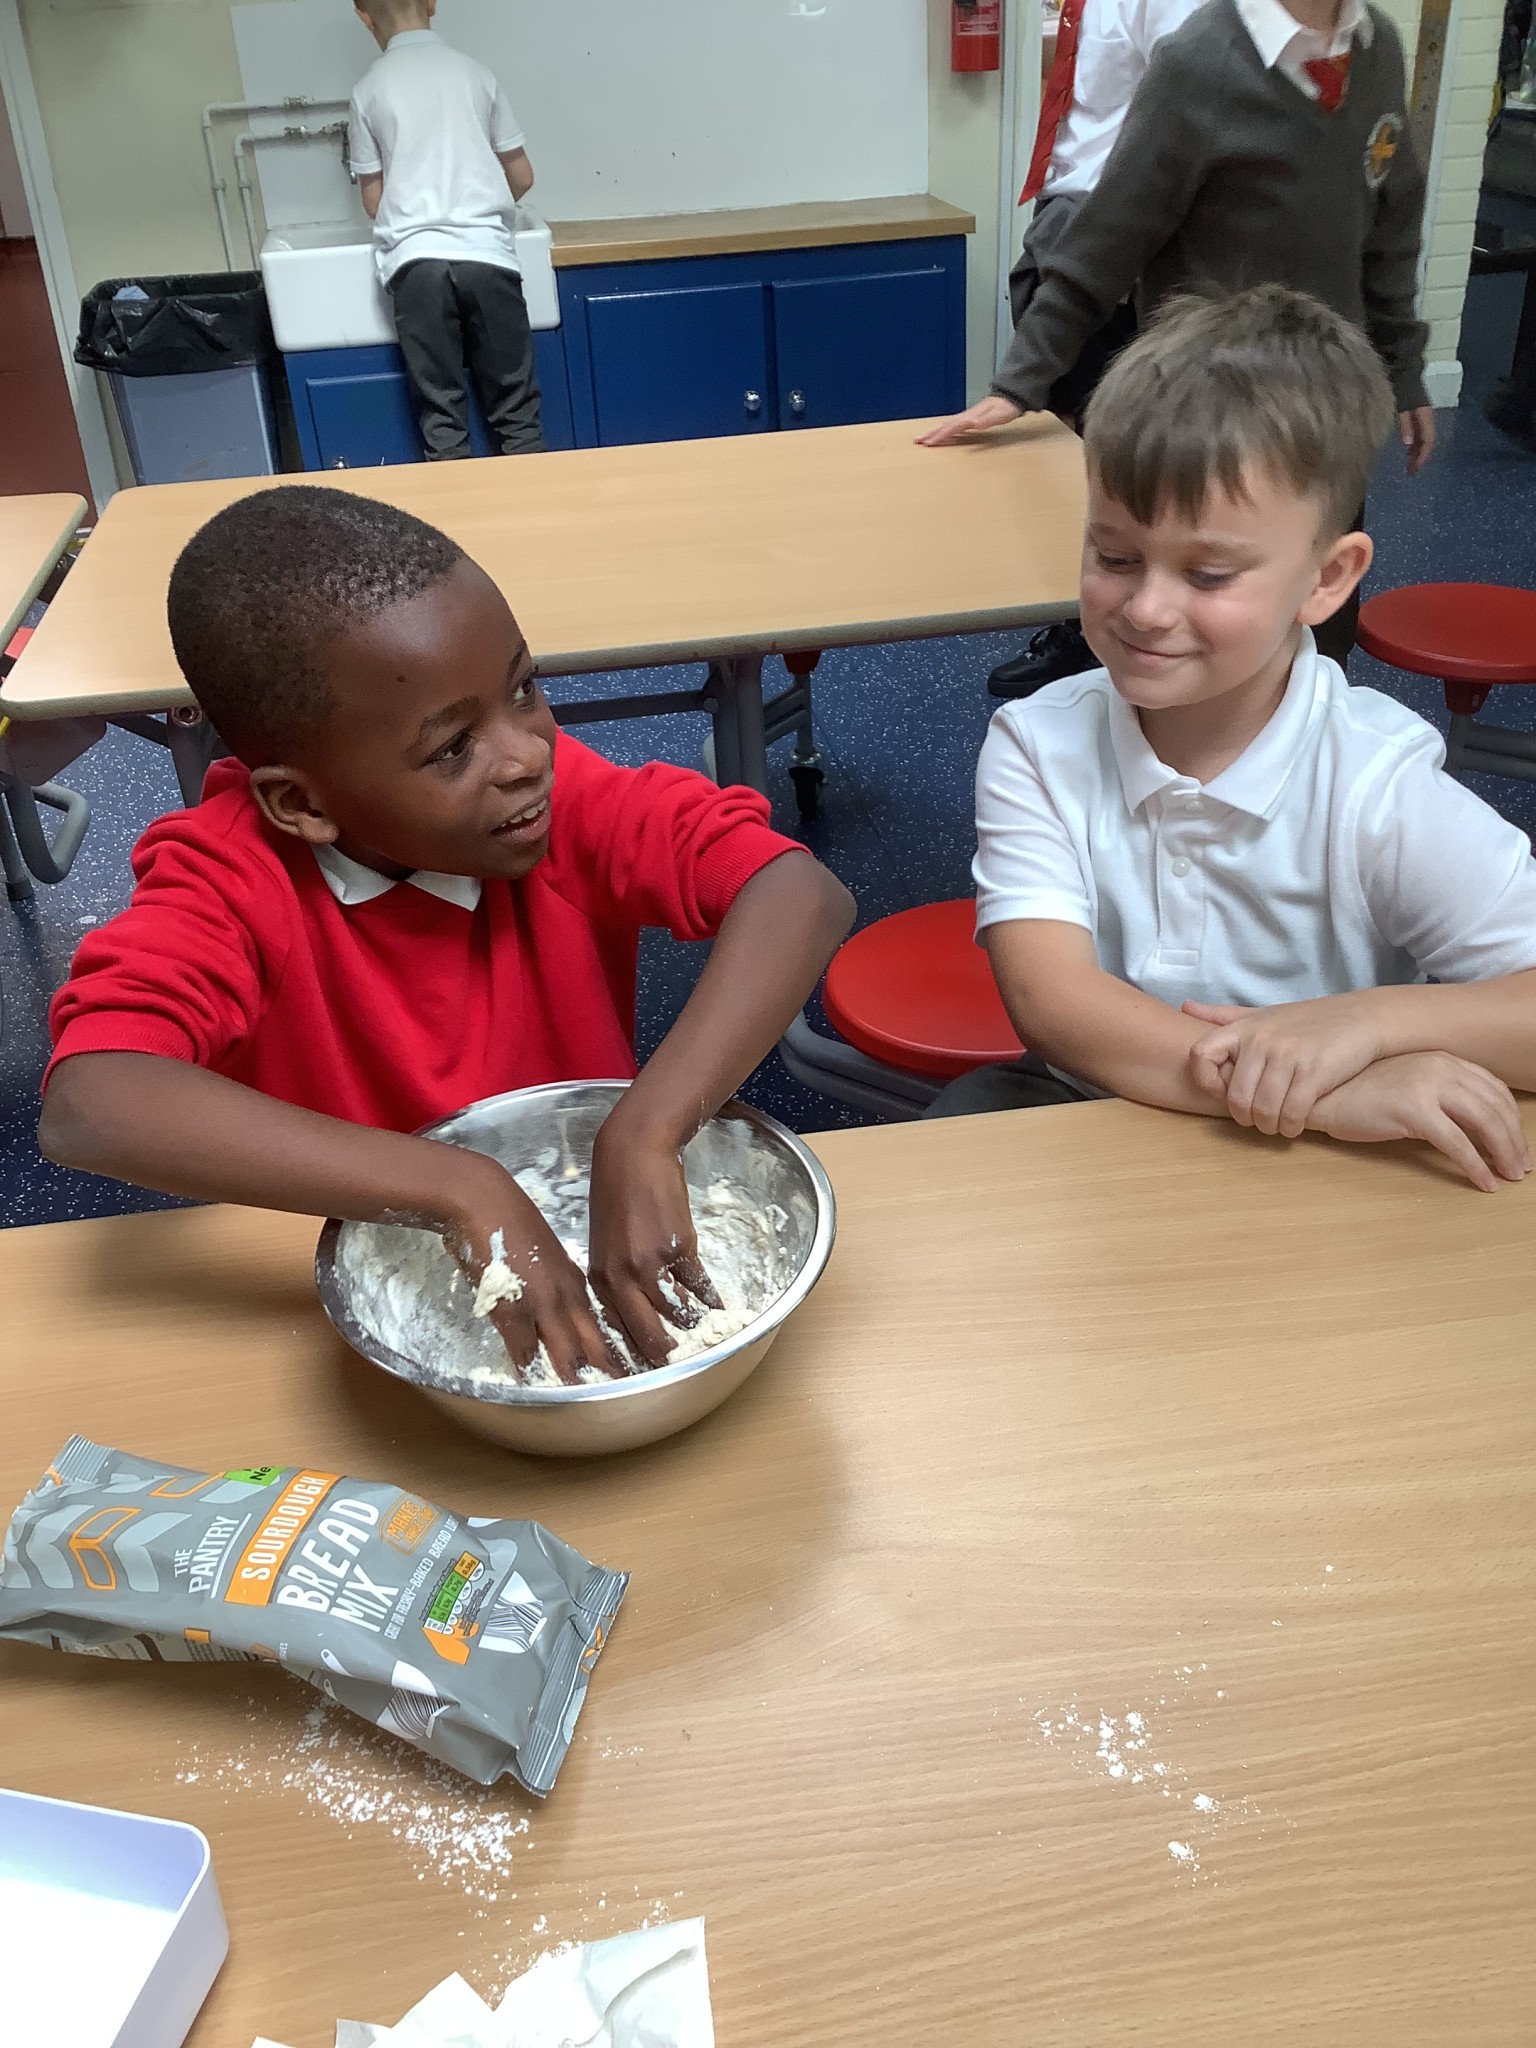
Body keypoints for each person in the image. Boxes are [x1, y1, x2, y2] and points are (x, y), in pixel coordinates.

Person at [38, 487, 856, 1378]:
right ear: (301, 803)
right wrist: (459, 1186)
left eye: (524, 689)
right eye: (451, 748)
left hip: (587, 1186)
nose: (525, 755)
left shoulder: (552, 806)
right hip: (333, 1307)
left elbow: (798, 893)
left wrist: (646, 1130)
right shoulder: (230, 878)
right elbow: (94, 1103)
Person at [928, 287, 1536, 1197]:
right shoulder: (1037, 742)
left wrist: (1362, 1027)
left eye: (1207, 573)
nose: (1146, 608)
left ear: (1328, 579)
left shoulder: (1375, 782)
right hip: (1105, 1105)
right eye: (1114, 556)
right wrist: (1321, 1093)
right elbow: (1057, 1009)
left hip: (1327, 1171)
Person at [920, 0, 1437, 675]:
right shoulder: (1203, 59)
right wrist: (1019, 383)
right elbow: (1105, 240)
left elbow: (1390, 229)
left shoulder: (1379, 48)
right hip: (1215, 414)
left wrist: (1404, 367)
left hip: (1326, 405)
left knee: (1316, 622)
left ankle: (1299, 761)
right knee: (1202, 623)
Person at [990, 0, 1208, 698]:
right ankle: (1086, 627)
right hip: (1070, 212)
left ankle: (1128, 647)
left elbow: (1180, 135)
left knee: (1134, 468)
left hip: (1118, 232)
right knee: (1083, 460)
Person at [349, 0, 543, 458]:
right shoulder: (476, 74)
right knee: (516, 412)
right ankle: (538, 520)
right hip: (487, 259)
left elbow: (374, 201)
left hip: (417, 270)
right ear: (433, 3)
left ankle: (452, 528)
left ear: (364, 15)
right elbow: (522, 177)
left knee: (441, 416)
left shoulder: (368, 89)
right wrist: (475, 207)